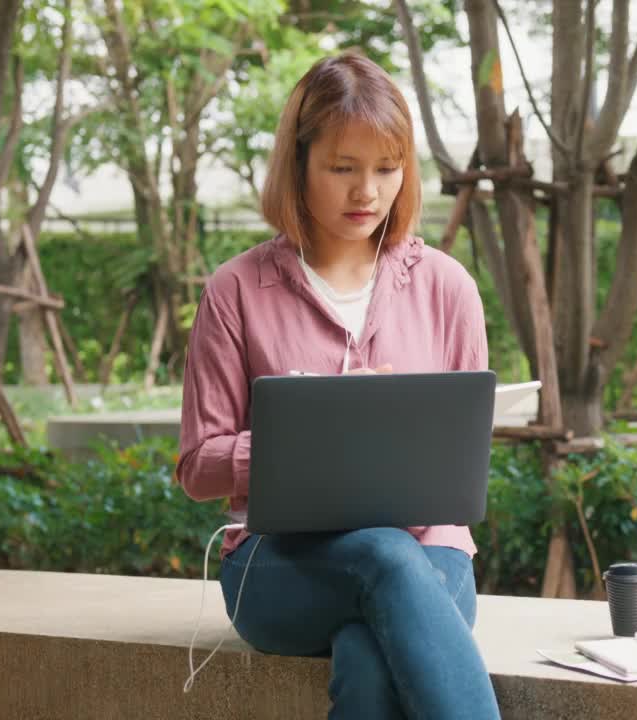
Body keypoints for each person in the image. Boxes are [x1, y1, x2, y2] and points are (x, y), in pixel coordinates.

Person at [176, 52, 502, 720]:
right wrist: (309, 436)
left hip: (433, 557)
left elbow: (463, 460)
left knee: (366, 655)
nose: (368, 193)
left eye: (387, 168)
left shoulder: (448, 288)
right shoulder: (237, 290)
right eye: (343, 168)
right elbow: (197, 467)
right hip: (280, 568)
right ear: (299, 165)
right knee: (383, 557)